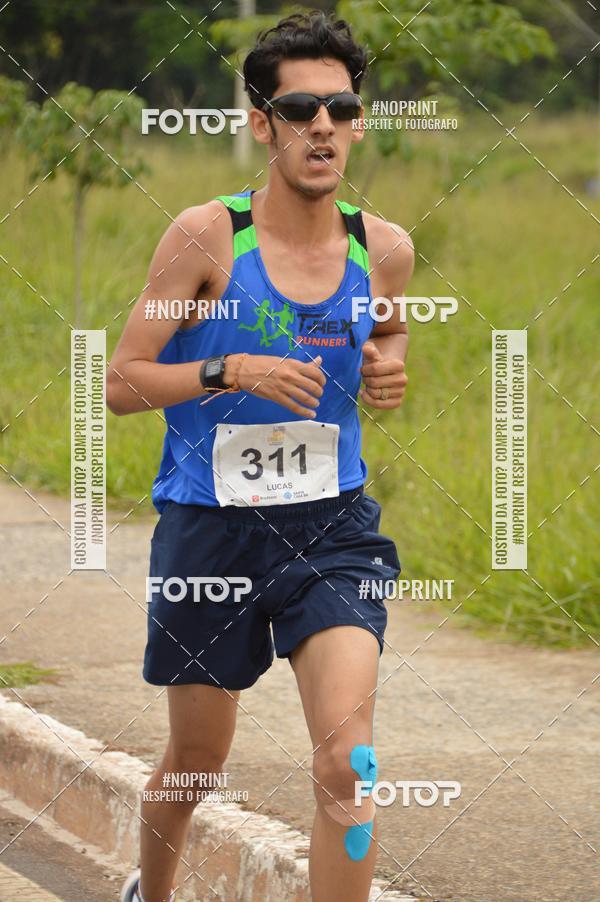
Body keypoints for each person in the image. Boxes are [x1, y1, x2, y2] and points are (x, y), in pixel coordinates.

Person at [111, 10, 414, 901]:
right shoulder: (207, 238)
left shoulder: (382, 247)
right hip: (211, 534)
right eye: (301, 109)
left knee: (347, 767)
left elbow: (388, 335)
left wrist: (387, 367)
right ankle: (150, 892)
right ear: (261, 123)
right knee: (198, 763)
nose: (323, 126)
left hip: (332, 528)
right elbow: (123, 383)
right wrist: (226, 366)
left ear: (358, 123)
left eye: (342, 108)